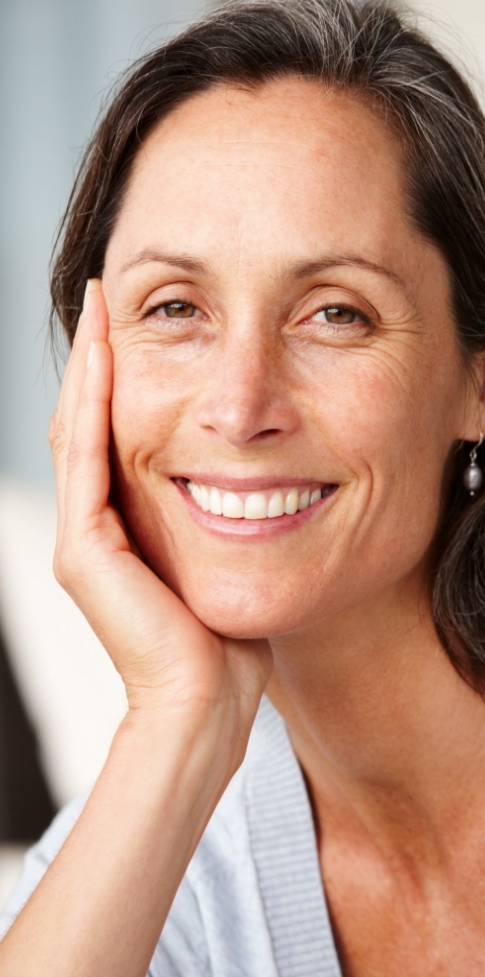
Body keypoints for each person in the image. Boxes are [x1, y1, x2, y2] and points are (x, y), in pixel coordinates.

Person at [2, 0, 485, 972]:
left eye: (334, 313)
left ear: (474, 378)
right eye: (173, 306)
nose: (238, 403)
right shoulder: (151, 858)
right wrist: (179, 722)